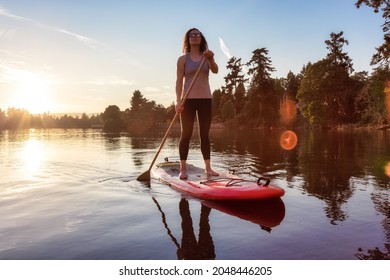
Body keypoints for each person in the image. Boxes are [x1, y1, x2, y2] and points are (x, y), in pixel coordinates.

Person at [175, 28, 219, 180]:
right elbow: (179, 81)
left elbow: (216, 71)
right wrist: (178, 101)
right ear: (188, 39)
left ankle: (208, 168)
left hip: (205, 100)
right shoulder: (182, 60)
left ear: (201, 38)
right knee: (185, 134)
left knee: (204, 135)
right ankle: (183, 169)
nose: (195, 36)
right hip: (188, 101)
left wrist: (211, 59)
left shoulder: (206, 57)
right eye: (192, 35)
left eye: (197, 34)